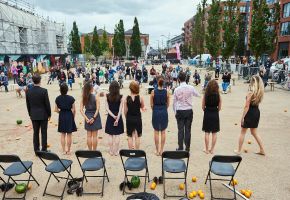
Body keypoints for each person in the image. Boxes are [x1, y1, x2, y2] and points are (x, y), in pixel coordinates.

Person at [235, 75, 265, 155]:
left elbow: (246, 106)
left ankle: (238, 150)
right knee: (254, 132)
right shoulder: (259, 92)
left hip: (250, 113)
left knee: (243, 132)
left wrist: (242, 117)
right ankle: (262, 149)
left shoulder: (250, 93)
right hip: (256, 112)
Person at [173, 72, 200, 151]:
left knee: (180, 130)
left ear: (178, 79)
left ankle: (180, 147)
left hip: (180, 110)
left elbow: (174, 103)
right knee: (188, 129)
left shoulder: (177, 89)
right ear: (185, 78)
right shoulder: (191, 88)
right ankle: (187, 147)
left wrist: (175, 112)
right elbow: (197, 94)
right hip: (188, 110)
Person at [26, 73, 51, 154]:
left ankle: (36, 150)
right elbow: (47, 104)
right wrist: (49, 113)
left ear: (33, 81)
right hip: (43, 114)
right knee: (44, 132)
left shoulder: (28, 91)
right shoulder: (44, 91)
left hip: (34, 114)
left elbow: (28, 104)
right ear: (40, 80)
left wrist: (30, 114)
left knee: (35, 132)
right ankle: (44, 149)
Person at [54, 83, 77, 155]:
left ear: (60, 90)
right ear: (67, 90)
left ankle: (64, 150)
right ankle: (69, 150)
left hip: (62, 115)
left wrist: (60, 113)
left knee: (63, 134)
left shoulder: (57, 98)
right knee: (69, 134)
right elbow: (74, 110)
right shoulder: (71, 98)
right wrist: (73, 117)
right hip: (69, 115)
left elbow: (56, 109)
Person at [80, 80, 102, 150]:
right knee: (95, 136)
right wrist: (93, 118)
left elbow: (81, 110)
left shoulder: (83, 98)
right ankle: (94, 151)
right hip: (95, 116)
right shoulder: (96, 97)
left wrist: (86, 118)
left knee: (89, 136)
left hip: (87, 115)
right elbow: (97, 109)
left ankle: (90, 151)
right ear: (91, 89)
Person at [150, 76, 169, 156]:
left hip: (156, 110)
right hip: (164, 110)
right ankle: (161, 150)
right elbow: (168, 104)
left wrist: (154, 109)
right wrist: (164, 108)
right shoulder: (167, 92)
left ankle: (157, 150)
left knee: (156, 131)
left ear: (157, 82)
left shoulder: (153, 92)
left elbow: (151, 104)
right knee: (163, 131)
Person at [124, 81, 145, 149]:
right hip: (137, 118)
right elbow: (142, 106)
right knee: (137, 136)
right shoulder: (140, 98)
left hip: (129, 118)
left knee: (130, 136)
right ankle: (137, 151)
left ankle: (130, 152)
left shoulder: (127, 98)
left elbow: (125, 111)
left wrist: (126, 118)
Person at [202, 80, 221, 154]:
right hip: (215, 113)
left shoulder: (206, 95)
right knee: (214, 133)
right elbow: (219, 107)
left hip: (207, 113)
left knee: (207, 132)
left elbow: (203, 107)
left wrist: (207, 110)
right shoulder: (218, 95)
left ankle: (206, 149)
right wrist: (215, 110)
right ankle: (212, 149)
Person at [105, 81, 124, 156]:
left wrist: (113, 116)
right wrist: (117, 118)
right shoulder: (121, 96)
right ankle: (116, 151)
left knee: (110, 134)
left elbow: (107, 108)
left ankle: (111, 150)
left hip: (110, 117)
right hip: (118, 116)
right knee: (117, 134)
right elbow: (120, 109)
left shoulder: (107, 96)